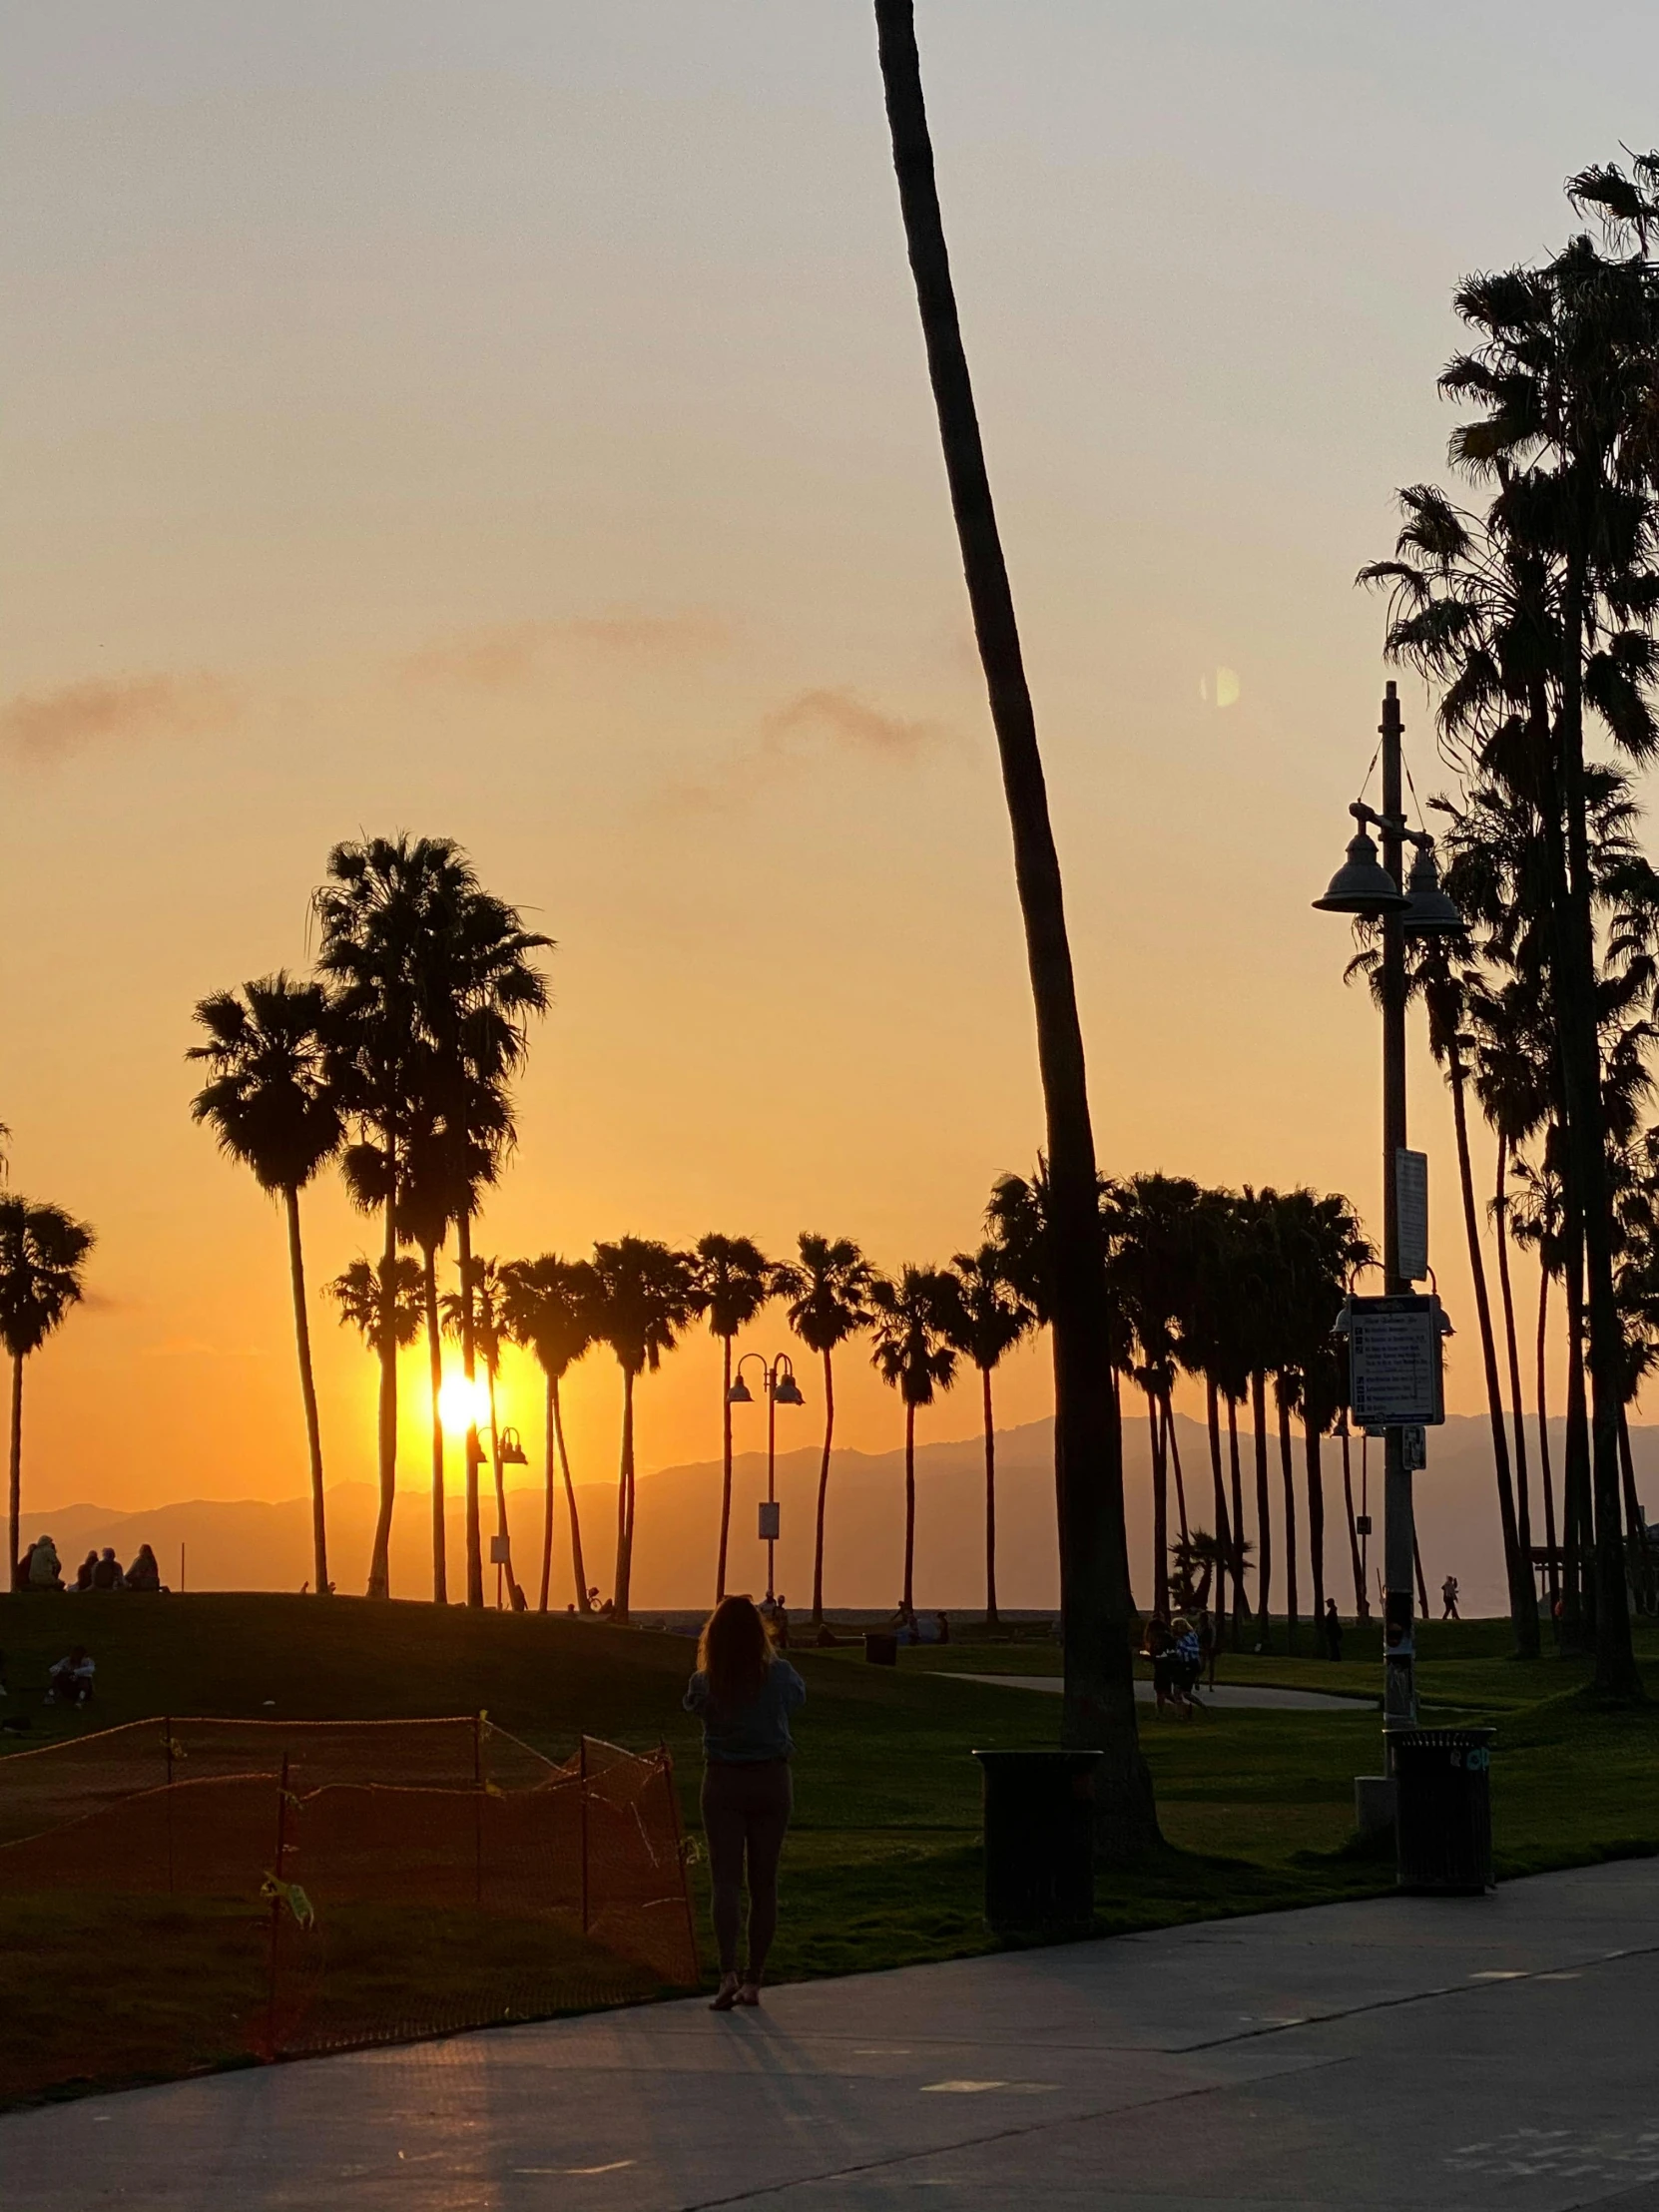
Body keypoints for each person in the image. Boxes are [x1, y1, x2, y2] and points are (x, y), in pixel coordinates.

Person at [684, 1593, 806, 2012]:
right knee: (764, 1883)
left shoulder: (705, 1682)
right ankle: (755, 1978)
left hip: (722, 1781)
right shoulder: (780, 1675)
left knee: (725, 1881)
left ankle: (727, 1972)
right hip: (771, 1778)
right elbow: (798, 1699)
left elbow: (694, 1708)